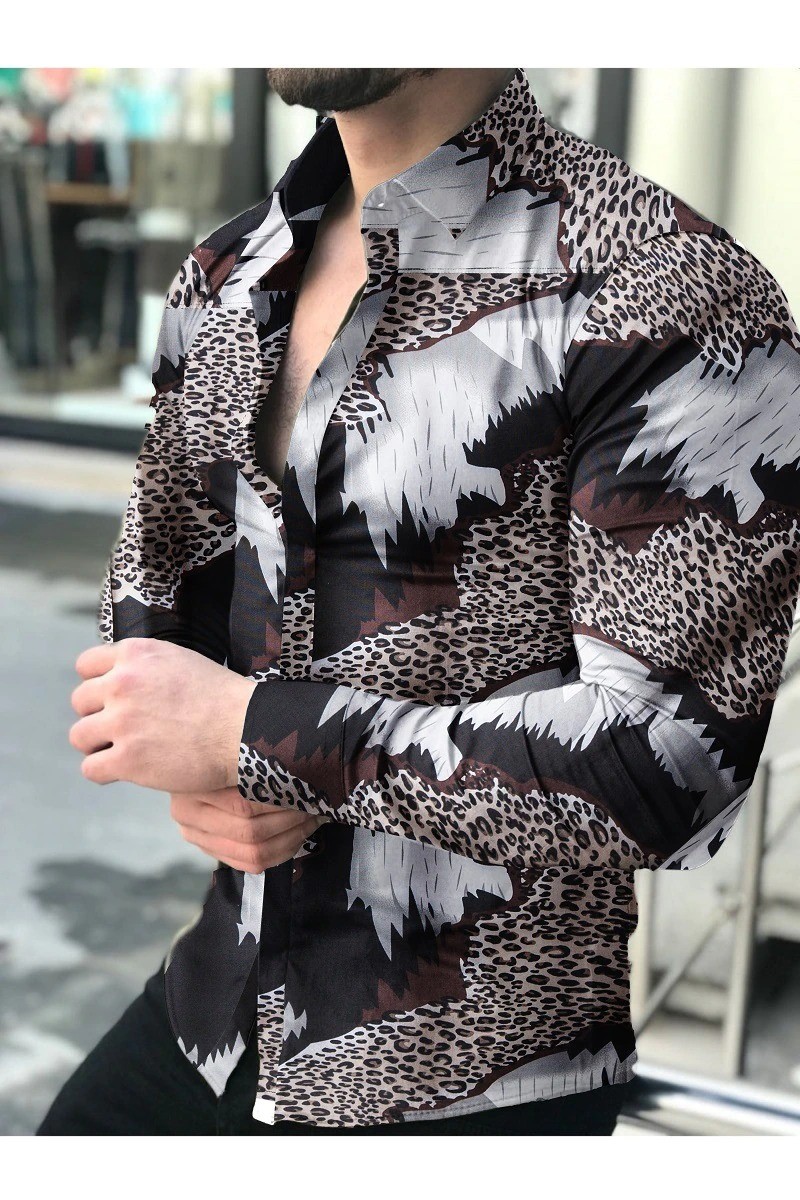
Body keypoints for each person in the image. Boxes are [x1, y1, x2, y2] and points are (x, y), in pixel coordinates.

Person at [38, 66, 800, 1136]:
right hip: (219, 1010)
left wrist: (257, 736)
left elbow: (668, 762)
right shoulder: (225, 272)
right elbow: (156, 610)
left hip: (470, 1073)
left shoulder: (661, 285)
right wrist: (198, 764)